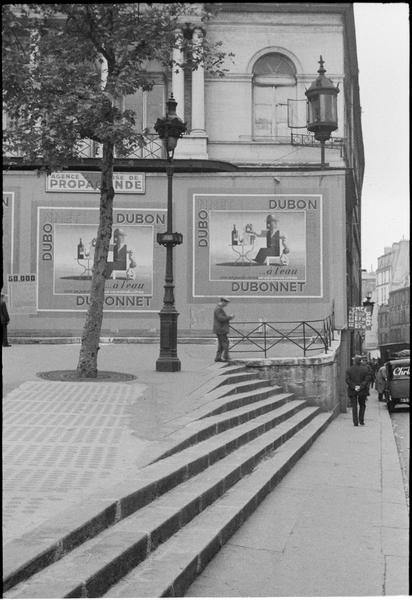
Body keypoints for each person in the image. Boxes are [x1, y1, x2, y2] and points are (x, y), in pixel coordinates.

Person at [345, 355, 371, 426]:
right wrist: (361, 386)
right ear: (360, 361)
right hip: (362, 390)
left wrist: (354, 387)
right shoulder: (365, 369)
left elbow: (347, 380)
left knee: (354, 406)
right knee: (362, 405)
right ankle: (361, 420)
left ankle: (355, 422)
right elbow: (367, 379)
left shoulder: (349, 369)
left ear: (354, 361)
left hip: (352, 390)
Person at [213, 297, 234, 362]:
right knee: (225, 343)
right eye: (226, 303)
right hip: (221, 329)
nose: (226, 305)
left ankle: (218, 357)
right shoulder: (218, 309)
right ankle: (226, 356)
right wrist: (230, 317)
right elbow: (221, 318)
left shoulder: (218, 308)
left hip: (220, 329)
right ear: (223, 302)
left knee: (221, 344)